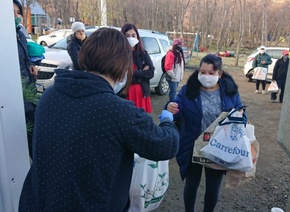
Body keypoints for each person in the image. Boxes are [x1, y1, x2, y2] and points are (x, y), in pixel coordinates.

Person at [18, 28, 180, 211]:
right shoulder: (118, 111)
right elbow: (166, 145)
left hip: (39, 202)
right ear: (122, 65)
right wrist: (167, 119)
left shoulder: (51, 95)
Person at [165, 54, 245, 212]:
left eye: (211, 73)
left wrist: (241, 118)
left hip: (218, 148)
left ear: (219, 74)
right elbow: (176, 109)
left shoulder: (230, 92)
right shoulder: (189, 90)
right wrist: (171, 108)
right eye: (202, 72)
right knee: (191, 184)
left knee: (213, 187)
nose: (206, 76)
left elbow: (240, 112)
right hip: (193, 145)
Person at [13, 0, 39, 158]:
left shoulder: (19, 33)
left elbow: (24, 57)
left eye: (18, 13)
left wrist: (30, 64)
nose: (16, 16)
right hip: (18, 93)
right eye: (12, 13)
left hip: (29, 88)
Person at [121, 23, 154, 113]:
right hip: (126, 94)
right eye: (127, 36)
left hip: (142, 93)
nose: (131, 38)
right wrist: (141, 73)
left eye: (133, 35)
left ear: (137, 37)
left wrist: (133, 73)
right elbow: (120, 75)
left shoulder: (143, 54)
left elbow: (150, 73)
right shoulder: (119, 55)